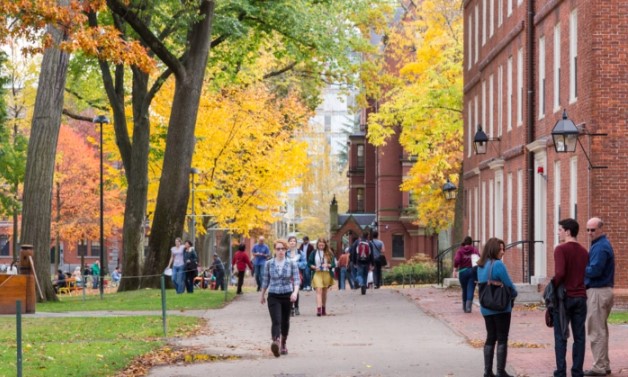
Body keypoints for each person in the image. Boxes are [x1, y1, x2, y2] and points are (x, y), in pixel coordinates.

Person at [551, 218, 588, 377]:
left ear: (567, 231)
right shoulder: (584, 251)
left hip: (564, 298)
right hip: (581, 297)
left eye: (560, 229)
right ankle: (577, 371)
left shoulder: (560, 249)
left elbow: (560, 273)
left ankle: (560, 371)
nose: (558, 232)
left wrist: (552, 285)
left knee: (561, 336)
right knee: (579, 337)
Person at [477, 238, 517, 377]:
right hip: (501, 307)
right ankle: (500, 371)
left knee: (490, 337)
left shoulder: (480, 265)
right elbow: (509, 285)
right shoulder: (498, 265)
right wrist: (514, 294)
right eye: (500, 249)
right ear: (493, 249)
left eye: (503, 248)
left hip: (486, 307)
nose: (503, 251)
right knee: (502, 338)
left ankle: (487, 372)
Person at [583, 217, 615, 377]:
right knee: (601, 329)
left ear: (601, 229)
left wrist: (579, 267)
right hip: (602, 291)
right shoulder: (599, 245)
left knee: (596, 330)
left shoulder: (601, 247)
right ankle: (604, 364)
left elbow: (595, 270)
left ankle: (600, 367)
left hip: (598, 291)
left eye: (593, 230)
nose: (590, 233)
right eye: (588, 230)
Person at [260, 239, 300, 357]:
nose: (281, 251)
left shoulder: (292, 263)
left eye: (283, 249)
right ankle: (276, 342)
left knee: (285, 321)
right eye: (278, 249)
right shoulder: (269, 263)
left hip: (287, 295)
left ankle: (283, 343)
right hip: (273, 295)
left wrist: (295, 293)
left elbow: (297, 280)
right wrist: (262, 295)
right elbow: (265, 280)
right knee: (276, 320)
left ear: (286, 250)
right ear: (275, 250)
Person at [309, 237, 335, 316]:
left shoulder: (329, 253)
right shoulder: (314, 252)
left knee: (324, 292)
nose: (321, 245)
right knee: (318, 290)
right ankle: (319, 309)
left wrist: (328, 265)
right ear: (317, 244)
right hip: (317, 273)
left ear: (325, 245)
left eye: (322, 244)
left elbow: (333, 264)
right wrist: (313, 267)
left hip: (326, 273)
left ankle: (323, 308)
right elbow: (309, 263)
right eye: (319, 243)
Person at [454, 236, 481, 313]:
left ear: (464, 242)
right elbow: (479, 259)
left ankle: (464, 306)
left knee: (464, 289)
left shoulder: (460, 251)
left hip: (462, 271)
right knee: (471, 289)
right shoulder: (474, 250)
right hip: (472, 271)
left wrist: (455, 269)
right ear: (471, 243)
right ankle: (468, 307)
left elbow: (456, 260)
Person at [350, 230, 374, 295]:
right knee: (365, 274)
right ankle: (364, 289)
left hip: (359, 261)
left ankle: (361, 283)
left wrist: (354, 262)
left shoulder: (357, 242)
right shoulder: (369, 243)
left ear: (361, 235)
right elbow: (371, 254)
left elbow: (353, 253)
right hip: (367, 261)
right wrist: (372, 263)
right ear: (367, 236)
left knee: (359, 275)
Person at [286, 235, 304, 316]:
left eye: (294, 241)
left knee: (295, 290)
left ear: (296, 243)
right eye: (291, 241)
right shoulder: (285, 253)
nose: (292, 242)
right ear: (288, 243)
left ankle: (296, 307)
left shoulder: (300, 252)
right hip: (287, 274)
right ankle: (290, 308)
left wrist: (296, 264)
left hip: (297, 273)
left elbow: (304, 264)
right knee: (289, 290)